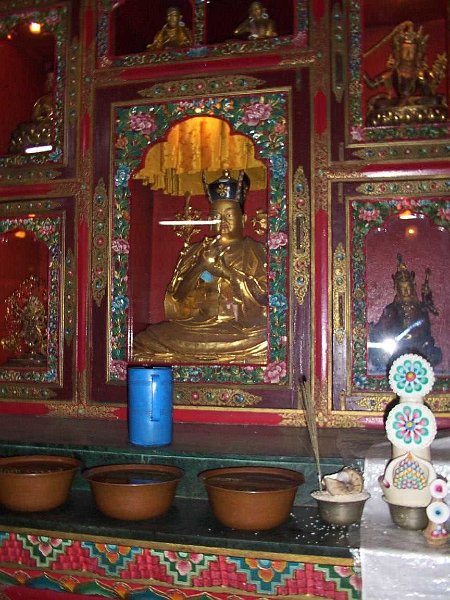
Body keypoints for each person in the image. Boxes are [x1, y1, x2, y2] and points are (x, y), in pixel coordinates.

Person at [132, 170, 268, 364]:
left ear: (243, 219)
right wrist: (201, 266)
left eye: (229, 215)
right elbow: (177, 299)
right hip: (197, 327)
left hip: (241, 329)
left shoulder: (255, 251)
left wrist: (228, 274)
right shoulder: (197, 251)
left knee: (266, 340)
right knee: (146, 339)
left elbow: (264, 296)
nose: (222, 222)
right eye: (216, 216)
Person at [363, 21, 448, 126]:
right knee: (380, 105)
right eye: (405, 50)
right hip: (397, 105)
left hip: (416, 105)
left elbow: (429, 94)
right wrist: (360, 71)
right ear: (398, 51)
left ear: (418, 53)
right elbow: (371, 84)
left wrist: (423, 81)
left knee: (435, 102)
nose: (408, 53)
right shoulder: (392, 74)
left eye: (412, 50)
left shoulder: (420, 73)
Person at [368, 254, 442, 373]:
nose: (406, 292)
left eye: (408, 288)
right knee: (380, 354)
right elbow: (382, 329)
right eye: (402, 289)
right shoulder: (391, 309)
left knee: (434, 353)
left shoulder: (421, 308)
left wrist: (415, 335)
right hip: (397, 346)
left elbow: (426, 330)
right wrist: (374, 330)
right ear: (396, 289)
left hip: (418, 346)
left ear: (413, 287)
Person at [9, 72, 54, 154]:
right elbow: (35, 117)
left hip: (53, 126)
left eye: (52, 80)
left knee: (56, 130)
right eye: (48, 80)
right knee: (23, 128)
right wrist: (42, 119)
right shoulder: (42, 100)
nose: (50, 82)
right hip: (43, 126)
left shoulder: (62, 99)